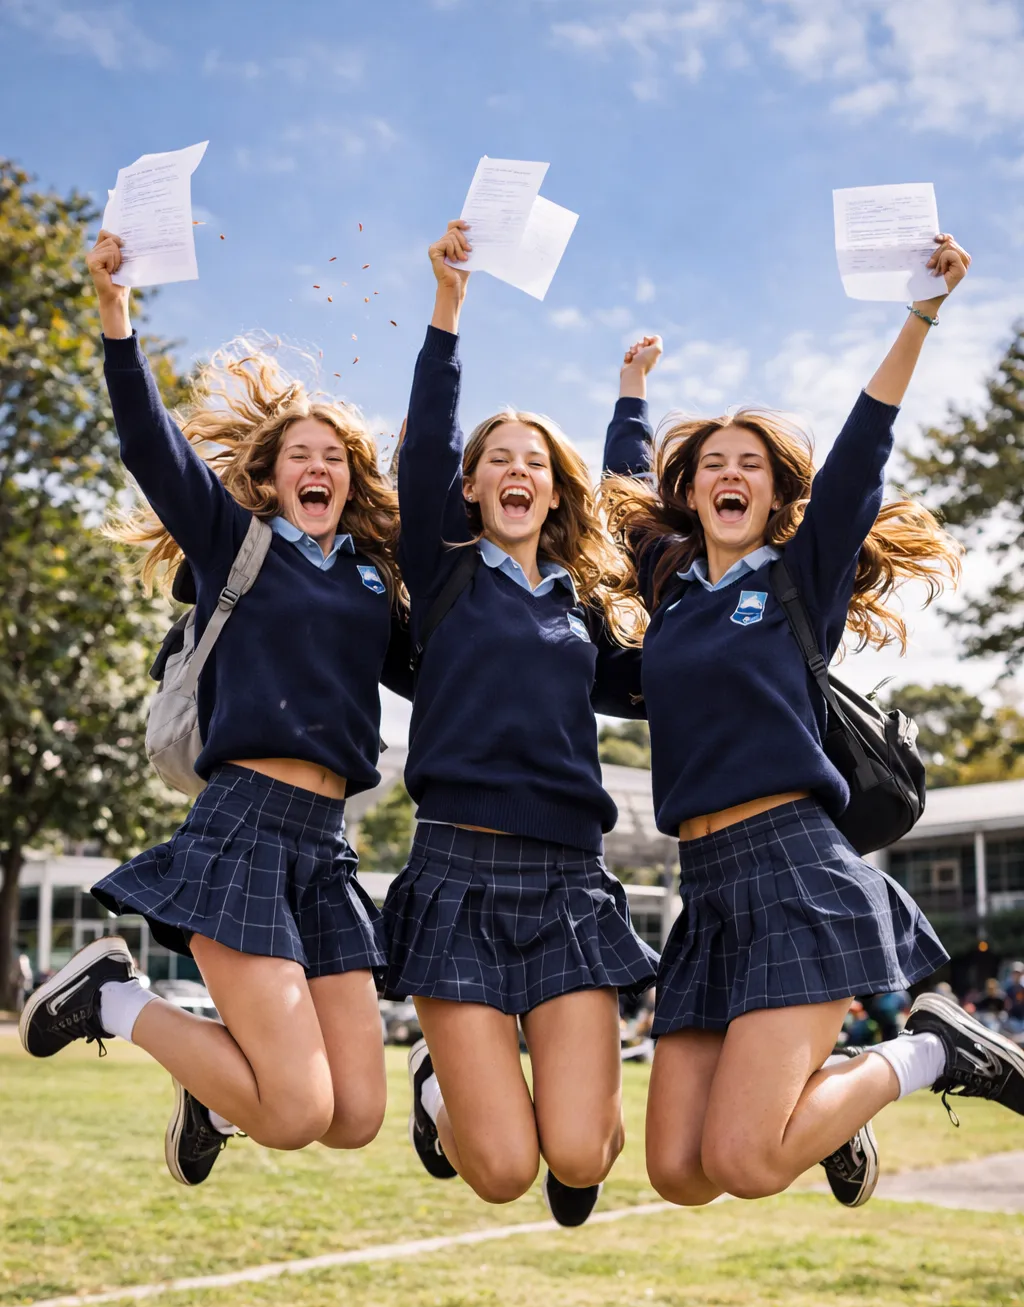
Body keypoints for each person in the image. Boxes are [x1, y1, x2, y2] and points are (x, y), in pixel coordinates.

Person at [603, 233, 1024, 1212]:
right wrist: (631, 391)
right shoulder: (673, 589)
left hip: (795, 870)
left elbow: (863, 447)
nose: (730, 474)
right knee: (679, 1174)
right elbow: (625, 494)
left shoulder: (799, 577)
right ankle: (834, 1103)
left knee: (749, 1164)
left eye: (750, 464)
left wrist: (919, 315)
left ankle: (932, 1049)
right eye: (713, 464)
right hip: (705, 885)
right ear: (691, 490)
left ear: (775, 491)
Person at [19, 228, 407, 1187]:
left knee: (356, 1117)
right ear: (271, 479)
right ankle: (113, 998)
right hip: (244, 828)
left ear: (350, 479)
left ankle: (212, 1088)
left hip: (327, 848)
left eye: (334, 457)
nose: (318, 467)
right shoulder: (238, 542)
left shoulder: (371, 581)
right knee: (297, 1113)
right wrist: (115, 315)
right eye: (299, 455)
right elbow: (150, 448)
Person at [387, 219, 658, 1228]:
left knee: (582, 1155)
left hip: (568, 880)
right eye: (496, 459)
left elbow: (631, 515)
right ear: (470, 488)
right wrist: (448, 306)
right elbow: (424, 439)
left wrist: (630, 400)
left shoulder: (580, 606)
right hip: (456, 871)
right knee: (501, 1171)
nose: (516, 469)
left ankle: (537, 1117)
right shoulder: (445, 575)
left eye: (533, 461)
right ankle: (437, 1089)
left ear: (551, 489)